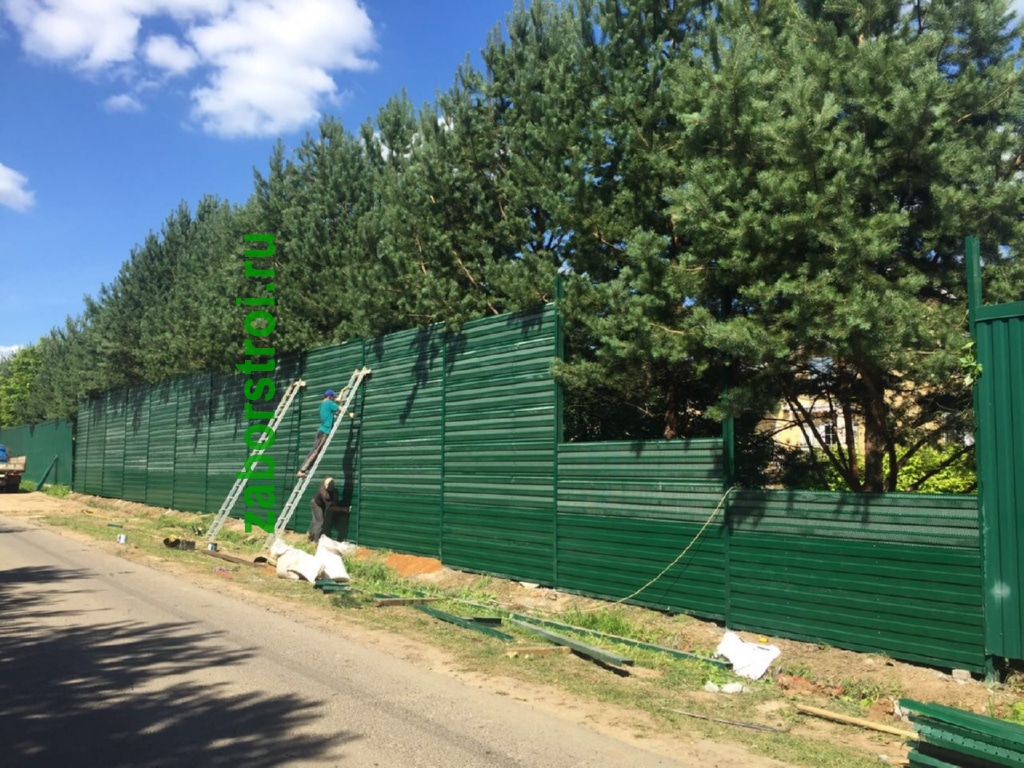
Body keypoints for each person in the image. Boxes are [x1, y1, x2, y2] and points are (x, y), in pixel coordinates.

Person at [297, 389, 341, 477]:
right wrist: (349, 413)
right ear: (329, 397)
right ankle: (302, 470)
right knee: (315, 451)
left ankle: (304, 470)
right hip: (324, 432)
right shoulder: (329, 403)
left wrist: (343, 391)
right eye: (333, 397)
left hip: (321, 431)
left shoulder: (323, 404)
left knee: (316, 451)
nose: (334, 399)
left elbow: (338, 400)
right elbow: (340, 407)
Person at [308, 476, 339, 542]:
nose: (331, 487)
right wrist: (343, 509)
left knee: (315, 520)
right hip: (316, 504)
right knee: (320, 522)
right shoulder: (324, 494)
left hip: (321, 504)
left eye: (332, 485)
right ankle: (315, 541)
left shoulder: (328, 486)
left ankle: (310, 535)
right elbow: (331, 507)